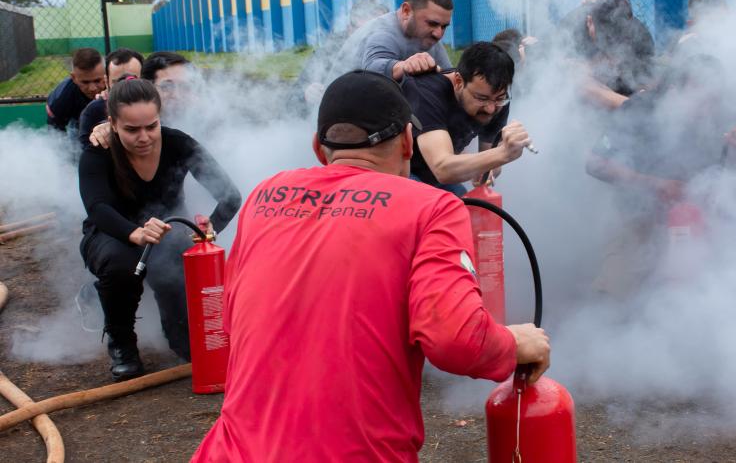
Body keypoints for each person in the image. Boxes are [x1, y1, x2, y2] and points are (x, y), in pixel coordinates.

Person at [191, 70, 550, 462]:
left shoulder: (264, 197)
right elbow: (457, 340)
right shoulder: (431, 208)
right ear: (408, 144)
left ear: (317, 147)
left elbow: (233, 320)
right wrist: (513, 344)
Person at [78, 77, 241, 380]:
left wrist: (207, 231)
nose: (144, 137)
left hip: (168, 234)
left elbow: (230, 196)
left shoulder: (179, 142)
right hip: (111, 235)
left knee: (187, 343)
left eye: (151, 126)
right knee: (121, 263)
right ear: (112, 123)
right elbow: (97, 208)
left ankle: (177, 330)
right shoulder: (97, 151)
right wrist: (134, 232)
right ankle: (122, 344)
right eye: (131, 129)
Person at [586, 54, 736, 296]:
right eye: (699, 99)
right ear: (675, 90)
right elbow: (595, 163)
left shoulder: (722, 115)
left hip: (703, 219)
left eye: (713, 100)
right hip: (640, 217)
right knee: (617, 289)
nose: (707, 109)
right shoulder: (642, 108)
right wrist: (655, 184)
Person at [402, 42, 531, 196]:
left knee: (464, 206)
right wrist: (505, 154)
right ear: (458, 82)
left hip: (433, 176)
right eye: (481, 98)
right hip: (398, 171)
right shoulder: (428, 92)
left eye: (499, 98)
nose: (490, 109)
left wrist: (485, 170)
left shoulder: (499, 102)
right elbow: (442, 168)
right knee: (431, 205)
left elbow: (488, 157)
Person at [329, 0, 454, 81]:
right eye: (432, 23)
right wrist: (406, 66)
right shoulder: (383, 32)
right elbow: (372, 68)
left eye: (444, 27)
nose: (439, 34)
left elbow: (448, 75)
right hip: (341, 106)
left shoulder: (427, 36)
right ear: (406, 11)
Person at [86, 52, 193, 149]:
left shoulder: (203, 118)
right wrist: (110, 131)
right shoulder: (121, 130)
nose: (177, 95)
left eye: (185, 87)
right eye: (166, 87)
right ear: (147, 87)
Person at [78, 49, 145, 148]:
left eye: (132, 80)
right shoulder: (93, 111)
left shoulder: (156, 104)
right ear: (106, 81)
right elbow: (87, 153)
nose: (125, 88)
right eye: (117, 83)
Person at [46, 47, 107, 133]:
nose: (92, 88)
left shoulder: (117, 85)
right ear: (74, 78)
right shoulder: (61, 98)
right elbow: (55, 132)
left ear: (106, 74)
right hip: (78, 124)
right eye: (85, 82)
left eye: (97, 81)